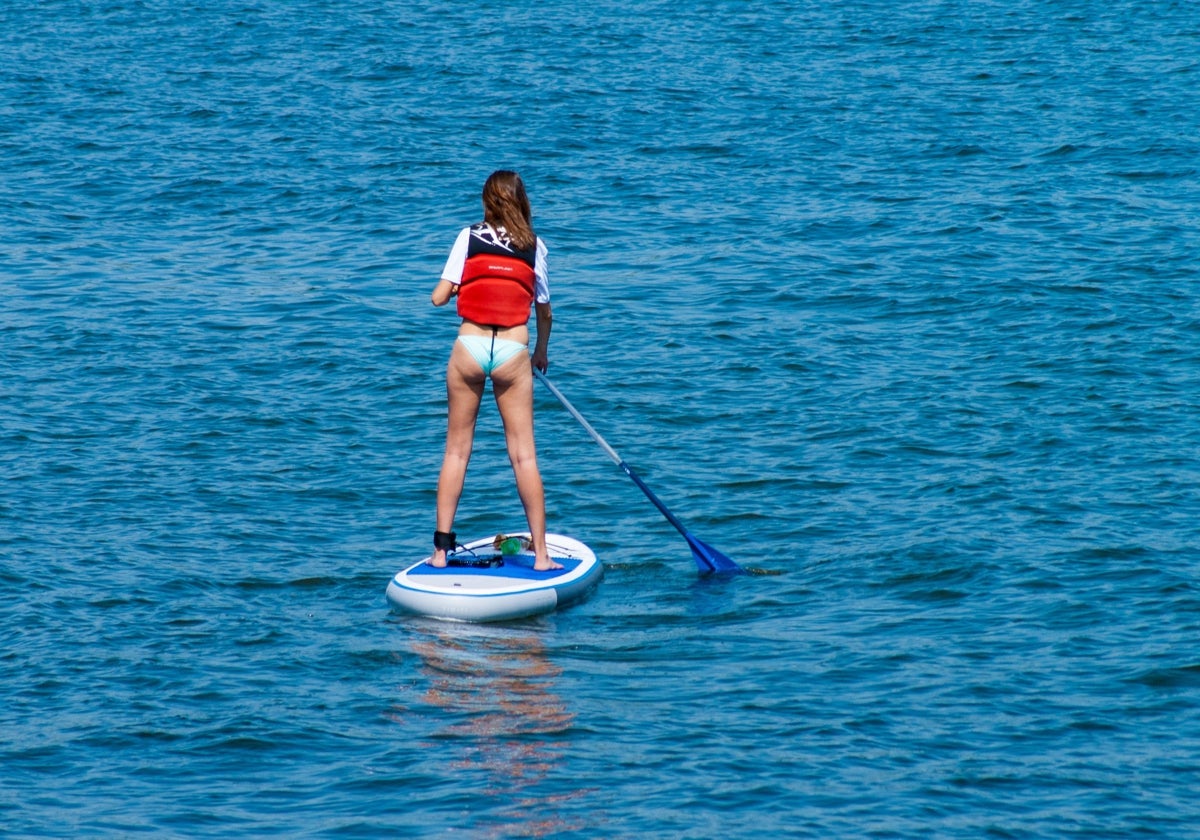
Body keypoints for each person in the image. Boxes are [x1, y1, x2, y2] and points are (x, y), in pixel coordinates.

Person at [428, 170, 562, 571]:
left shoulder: (467, 237)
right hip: (511, 351)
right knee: (524, 457)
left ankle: (439, 553)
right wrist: (541, 351)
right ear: (522, 202)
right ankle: (541, 557)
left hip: (468, 348)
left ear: (487, 202)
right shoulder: (534, 246)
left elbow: (437, 299)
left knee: (456, 452)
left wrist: (456, 287)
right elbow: (545, 312)